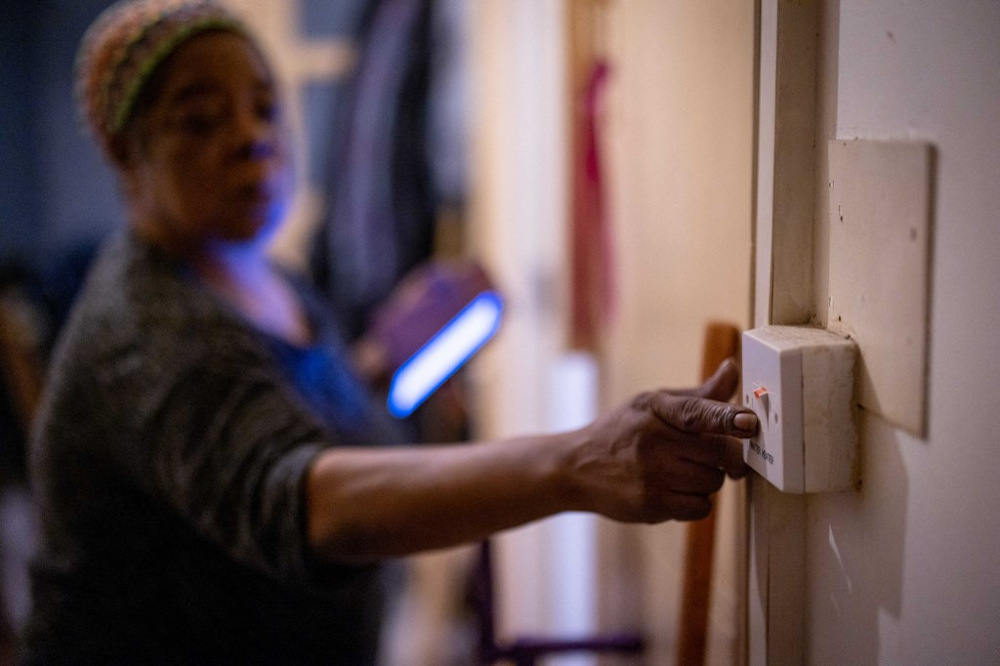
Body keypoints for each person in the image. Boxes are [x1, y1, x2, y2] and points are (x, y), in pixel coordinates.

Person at [23, 0, 758, 662]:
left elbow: (274, 414)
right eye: (200, 119)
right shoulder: (148, 333)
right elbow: (309, 505)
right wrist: (578, 461)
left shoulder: (250, 269)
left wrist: (379, 361)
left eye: (262, 106)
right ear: (127, 154)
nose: (252, 137)